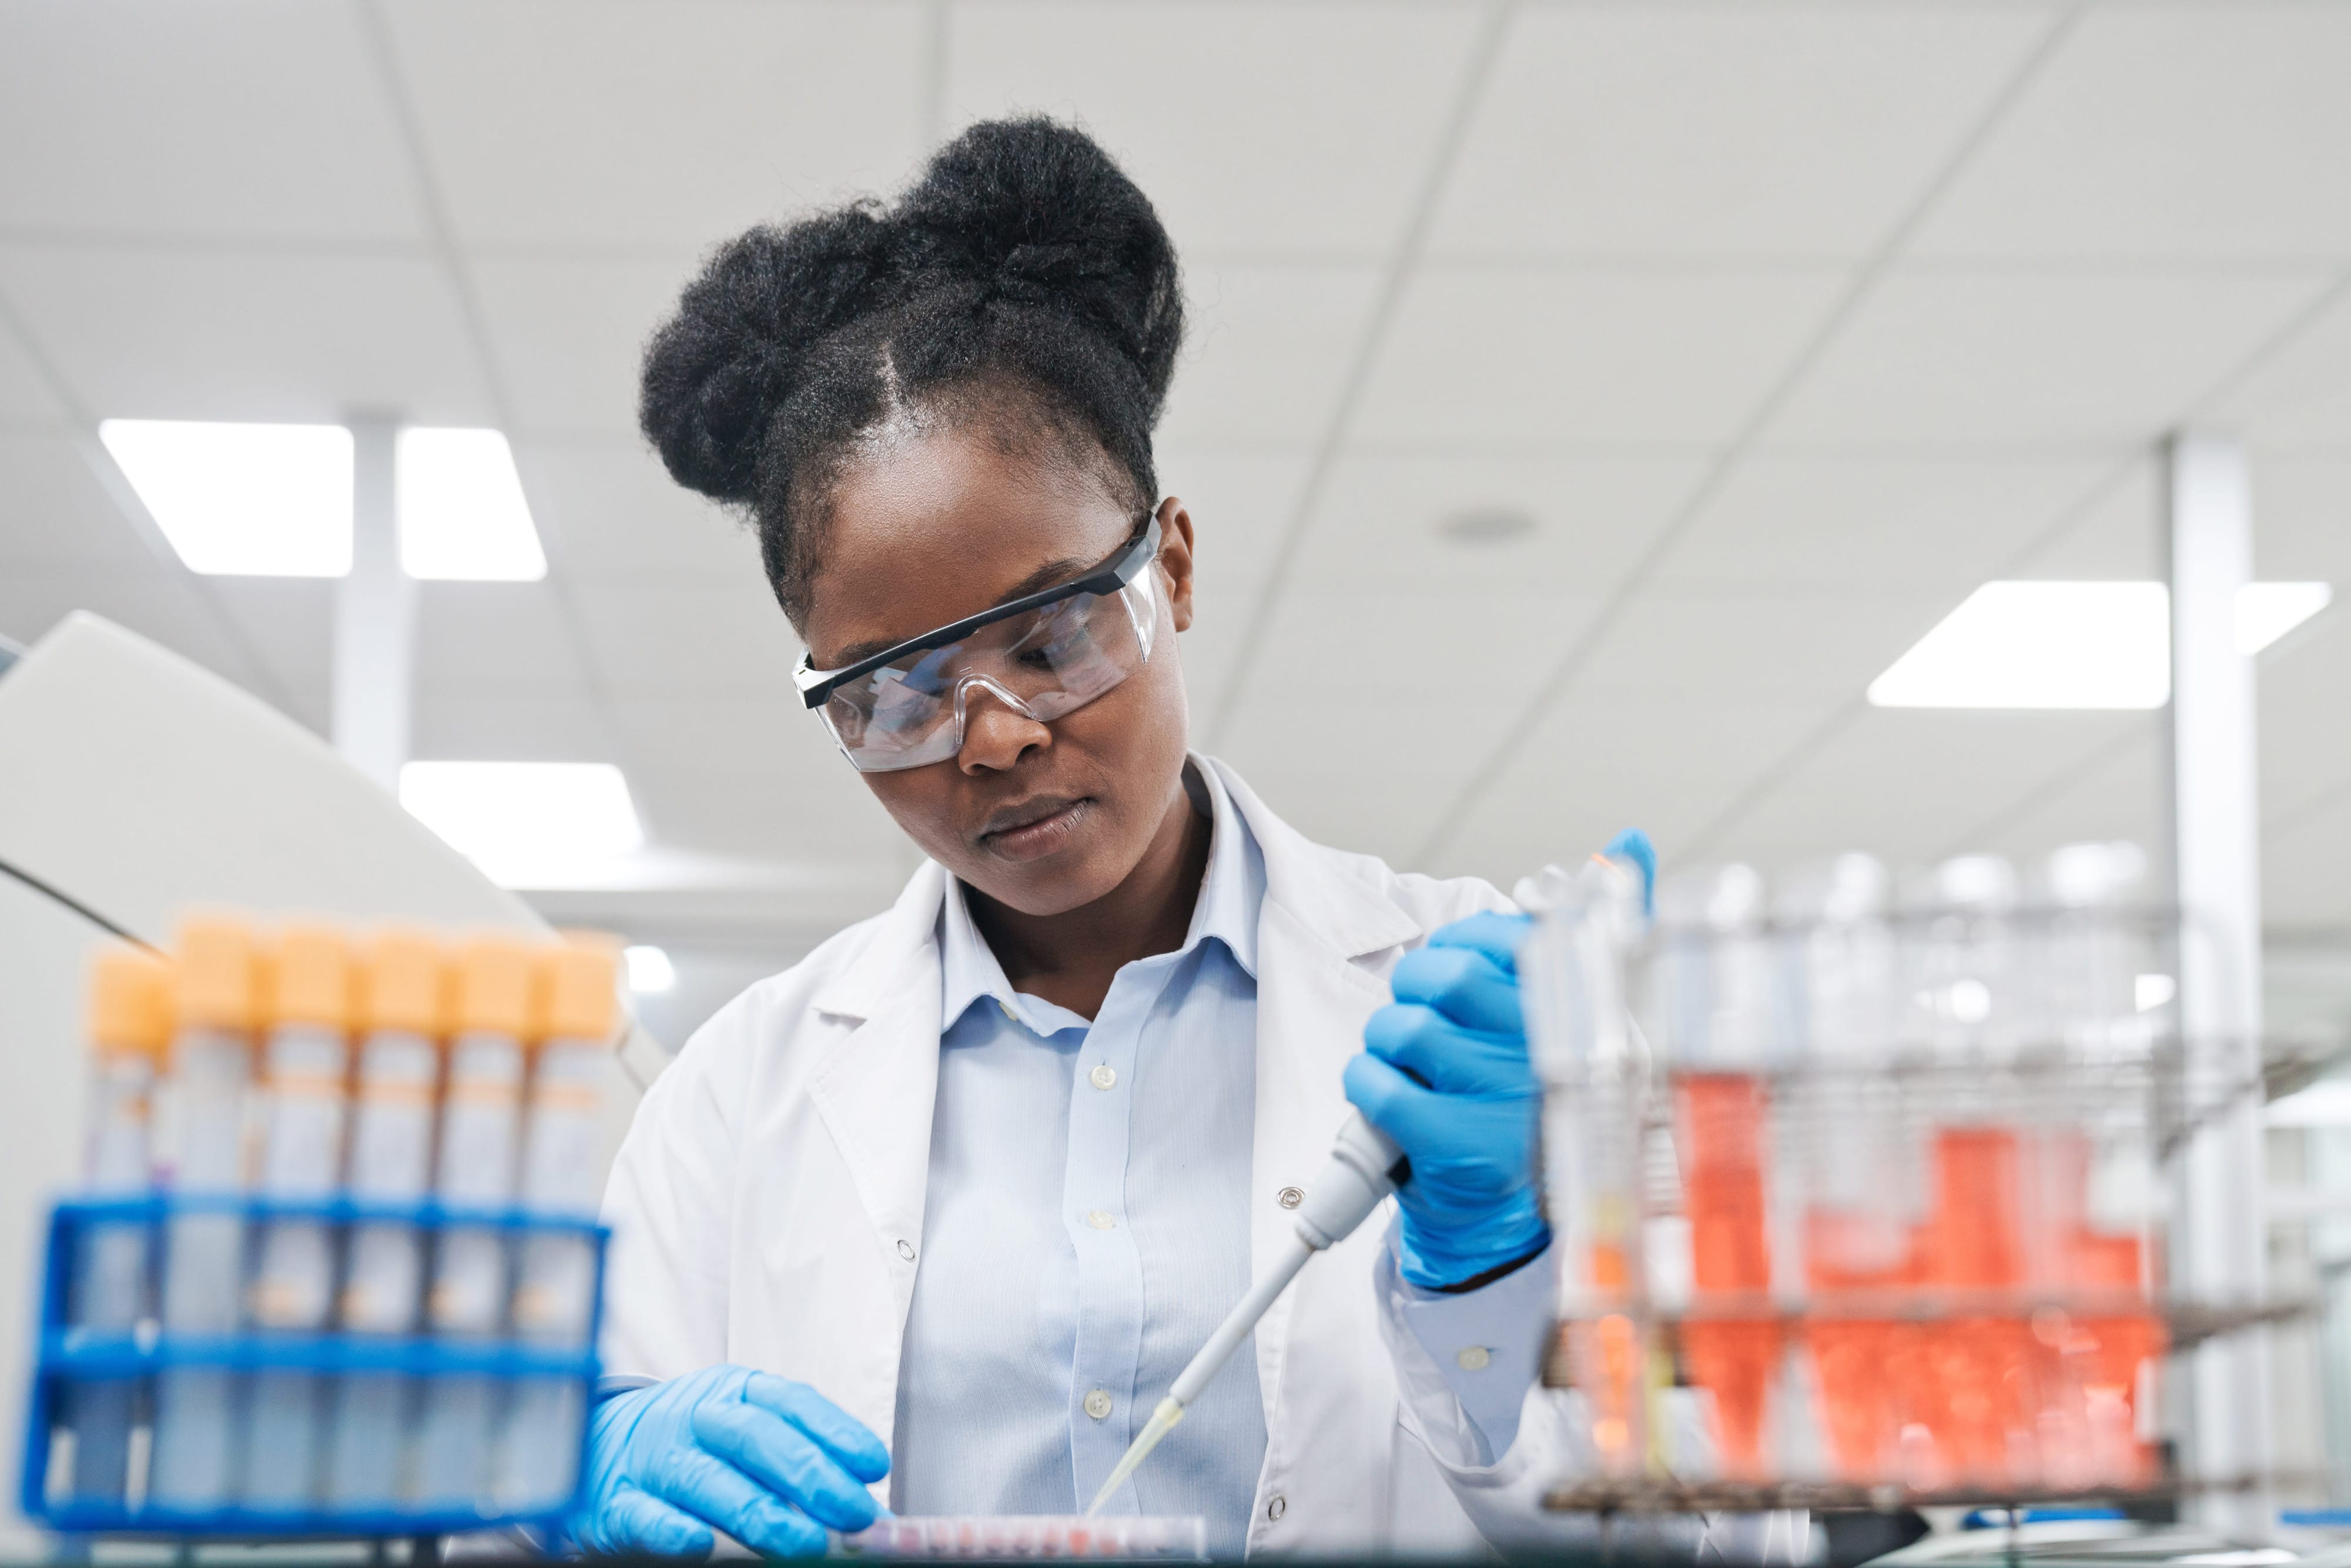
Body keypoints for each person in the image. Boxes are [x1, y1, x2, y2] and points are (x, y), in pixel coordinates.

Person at [581, 118, 1771, 1562]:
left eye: (1051, 632)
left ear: (1174, 569)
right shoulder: (733, 1101)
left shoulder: (1487, 1028)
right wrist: (568, 1482)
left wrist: (1494, 1264)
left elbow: (1718, 1533)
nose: (994, 735)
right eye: (891, 691)